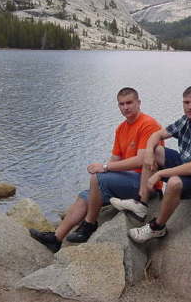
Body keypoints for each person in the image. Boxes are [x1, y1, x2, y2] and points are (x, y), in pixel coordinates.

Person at [29, 87, 162, 252]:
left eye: (129, 103)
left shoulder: (148, 124)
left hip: (145, 184)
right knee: (86, 195)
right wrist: (102, 170)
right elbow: (115, 159)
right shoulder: (121, 128)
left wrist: (104, 169)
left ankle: (89, 225)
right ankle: (56, 238)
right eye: (121, 104)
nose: (125, 107)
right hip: (125, 183)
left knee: (98, 179)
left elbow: (142, 160)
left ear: (138, 103)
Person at [110, 85, 191, 243]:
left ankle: (157, 227)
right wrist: (148, 152)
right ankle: (141, 205)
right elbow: (158, 134)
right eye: (186, 102)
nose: (190, 107)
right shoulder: (187, 120)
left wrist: (160, 174)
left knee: (174, 183)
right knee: (156, 150)